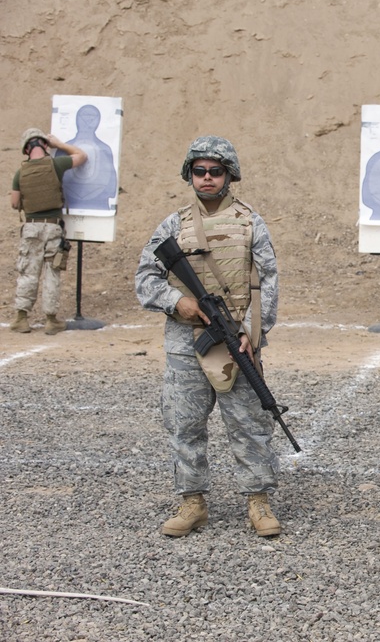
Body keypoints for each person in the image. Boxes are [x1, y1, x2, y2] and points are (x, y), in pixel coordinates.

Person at [135, 136, 283, 538]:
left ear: (229, 175)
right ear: (189, 174)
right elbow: (145, 278)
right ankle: (192, 501)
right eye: (199, 171)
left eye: (215, 171)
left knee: (249, 422)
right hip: (186, 341)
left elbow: (267, 281)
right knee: (184, 424)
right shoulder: (174, 224)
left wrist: (255, 332)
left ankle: (258, 500)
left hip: (237, 338)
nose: (206, 178)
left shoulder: (251, 222)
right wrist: (175, 302)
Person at [8, 128, 87, 335]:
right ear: (44, 145)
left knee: (28, 272)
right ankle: (51, 320)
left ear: (26, 149)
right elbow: (81, 156)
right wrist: (59, 144)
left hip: (31, 227)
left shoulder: (20, 172)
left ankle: (22, 318)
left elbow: (14, 203)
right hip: (53, 227)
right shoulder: (55, 164)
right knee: (52, 272)